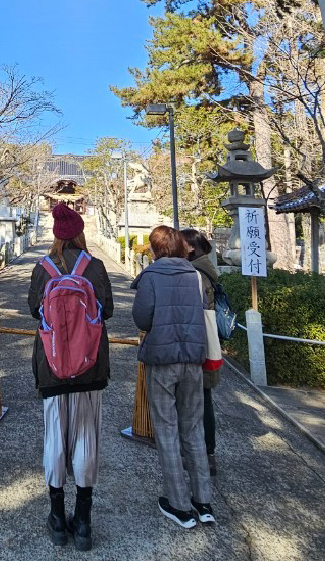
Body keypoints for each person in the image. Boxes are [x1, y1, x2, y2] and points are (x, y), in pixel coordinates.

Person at [28, 202, 113, 551]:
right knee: (86, 439)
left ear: (55, 235)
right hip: (90, 367)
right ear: (79, 231)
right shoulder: (94, 267)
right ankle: (83, 523)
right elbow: (107, 309)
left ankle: (56, 518)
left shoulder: (42, 268)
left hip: (52, 366)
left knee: (55, 440)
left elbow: (34, 308)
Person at [131, 224, 217, 530]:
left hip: (162, 360)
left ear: (155, 249)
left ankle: (179, 504)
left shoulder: (151, 276)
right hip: (193, 358)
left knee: (166, 429)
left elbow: (142, 317)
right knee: (193, 428)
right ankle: (203, 502)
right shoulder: (195, 275)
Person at [180, 227, 221, 476]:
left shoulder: (196, 273)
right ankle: (204, 451)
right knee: (201, 398)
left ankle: (204, 453)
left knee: (199, 399)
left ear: (191, 248)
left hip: (198, 343)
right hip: (205, 340)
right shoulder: (204, 269)